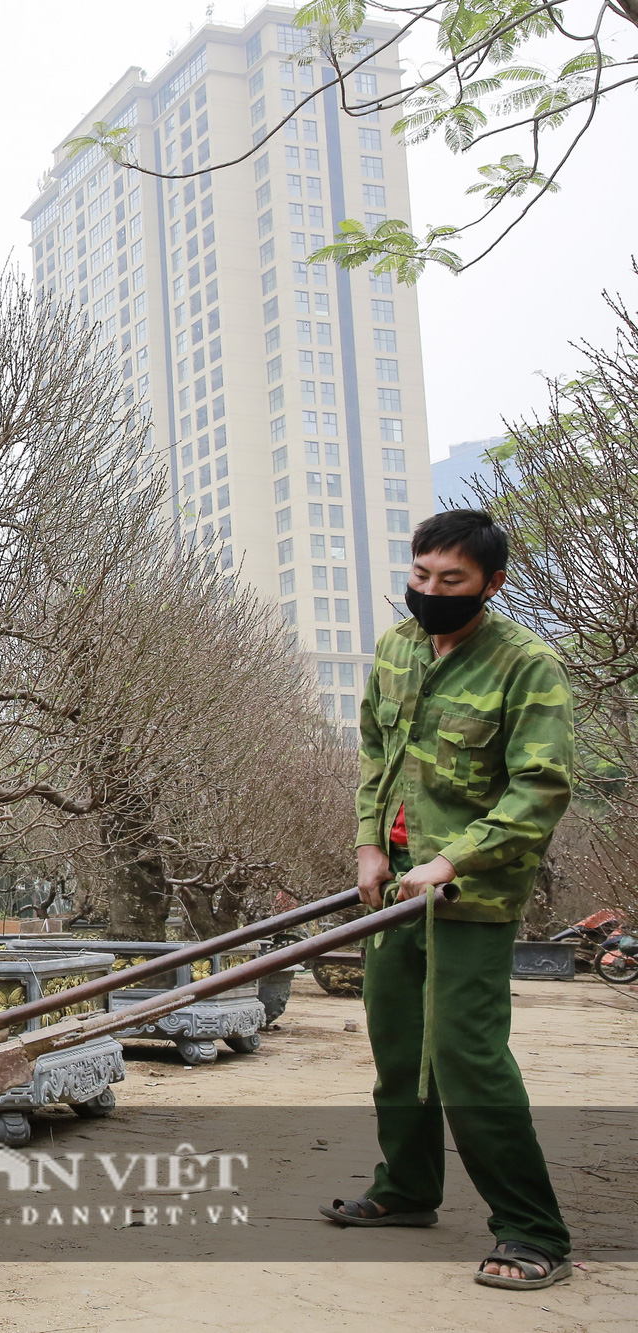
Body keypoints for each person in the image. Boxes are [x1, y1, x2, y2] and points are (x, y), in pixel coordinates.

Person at [323, 509, 574, 1291]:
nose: (429, 592)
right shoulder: (397, 647)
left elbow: (541, 788)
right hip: (393, 884)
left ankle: (533, 1228)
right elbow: (375, 751)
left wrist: (448, 859)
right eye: (420, 575)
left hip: (471, 892)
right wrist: (371, 843)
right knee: (398, 1046)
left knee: (466, 1057)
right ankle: (406, 1188)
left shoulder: (526, 665)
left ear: (492, 584)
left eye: (450, 581)